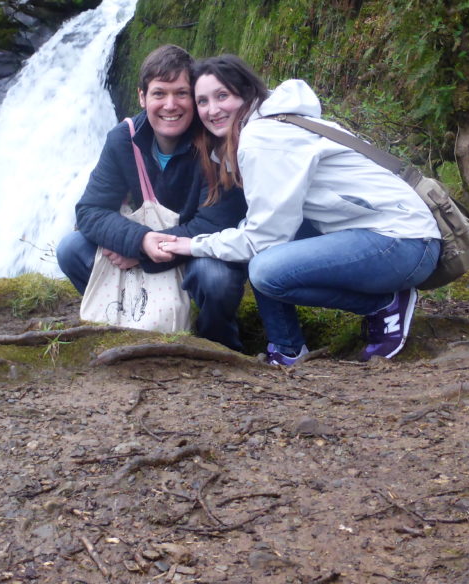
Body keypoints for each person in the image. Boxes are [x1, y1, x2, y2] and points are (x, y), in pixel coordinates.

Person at [161, 55, 441, 365]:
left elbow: (262, 241)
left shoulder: (263, 138)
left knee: (265, 268)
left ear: (246, 93)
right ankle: (287, 350)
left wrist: (193, 245)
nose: (212, 110)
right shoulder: (273, 123)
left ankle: (383, 304)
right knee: (258, 239)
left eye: (222, 96)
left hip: (402, 242)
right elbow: (266, 228)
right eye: (202, 101)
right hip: (390, 236)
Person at [56, 45, 249, 351]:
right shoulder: (123, 139)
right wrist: (139, 241)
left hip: (198, 252)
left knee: (216, 277)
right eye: (159, 93)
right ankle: (128, 321)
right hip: (150, 246)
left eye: (181, 93)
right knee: (71, 249)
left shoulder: (216, 140)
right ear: (143, 97)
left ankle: (216, 344)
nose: (170, 105)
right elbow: (90, 211)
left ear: (194, 97)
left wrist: (144, 250)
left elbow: (215, 224)